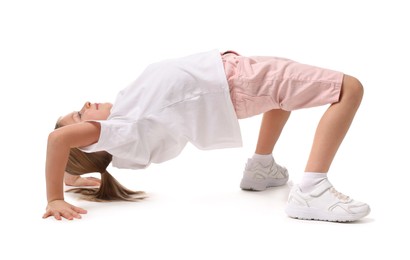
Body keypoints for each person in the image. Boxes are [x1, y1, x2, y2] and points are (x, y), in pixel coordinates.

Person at [43, 49, 370, 222]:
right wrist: (55, 197)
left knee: (282, 97)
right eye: (78, 115)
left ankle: (261, 168)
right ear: (87, 140)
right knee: (348, 87)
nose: (85, 105)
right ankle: (312, 190)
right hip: (235, 81)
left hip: (234, 76)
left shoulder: (124, 119)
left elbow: (71, 152)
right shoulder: (118, 130)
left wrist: (73, 175)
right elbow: (58, 141)